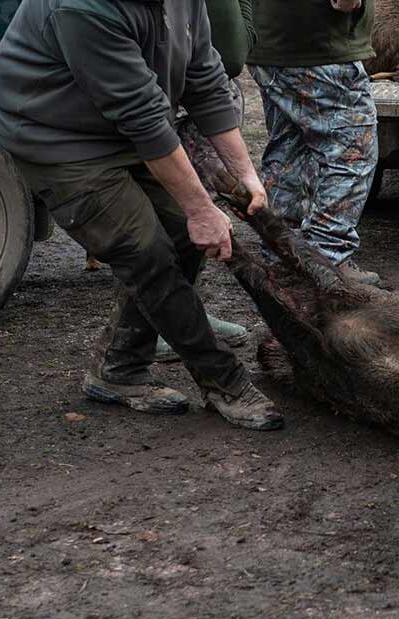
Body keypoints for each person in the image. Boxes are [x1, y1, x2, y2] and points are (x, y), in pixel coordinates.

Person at [0, 0, 283, 431]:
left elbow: (205, 75)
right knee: (144, 249)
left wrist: (246, 175)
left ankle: (119, 368)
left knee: (183, 234)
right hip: (57, 138)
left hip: (122, 128)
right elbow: (143, 118)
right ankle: (225, 382)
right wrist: (202, 208)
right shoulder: (82, 7)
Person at [245, 0, 382, 288]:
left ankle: (281, 254)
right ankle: (325, 259)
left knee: (289, 149)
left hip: (269, 43)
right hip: (318, 48)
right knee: (352, 150)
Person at [154, 0, 257, 363]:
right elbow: (231, 53)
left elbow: (220, 55)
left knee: (194, 219)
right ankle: (160, 323)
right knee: (168, 217)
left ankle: (185, 309)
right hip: (161, 106)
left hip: (191, 95)